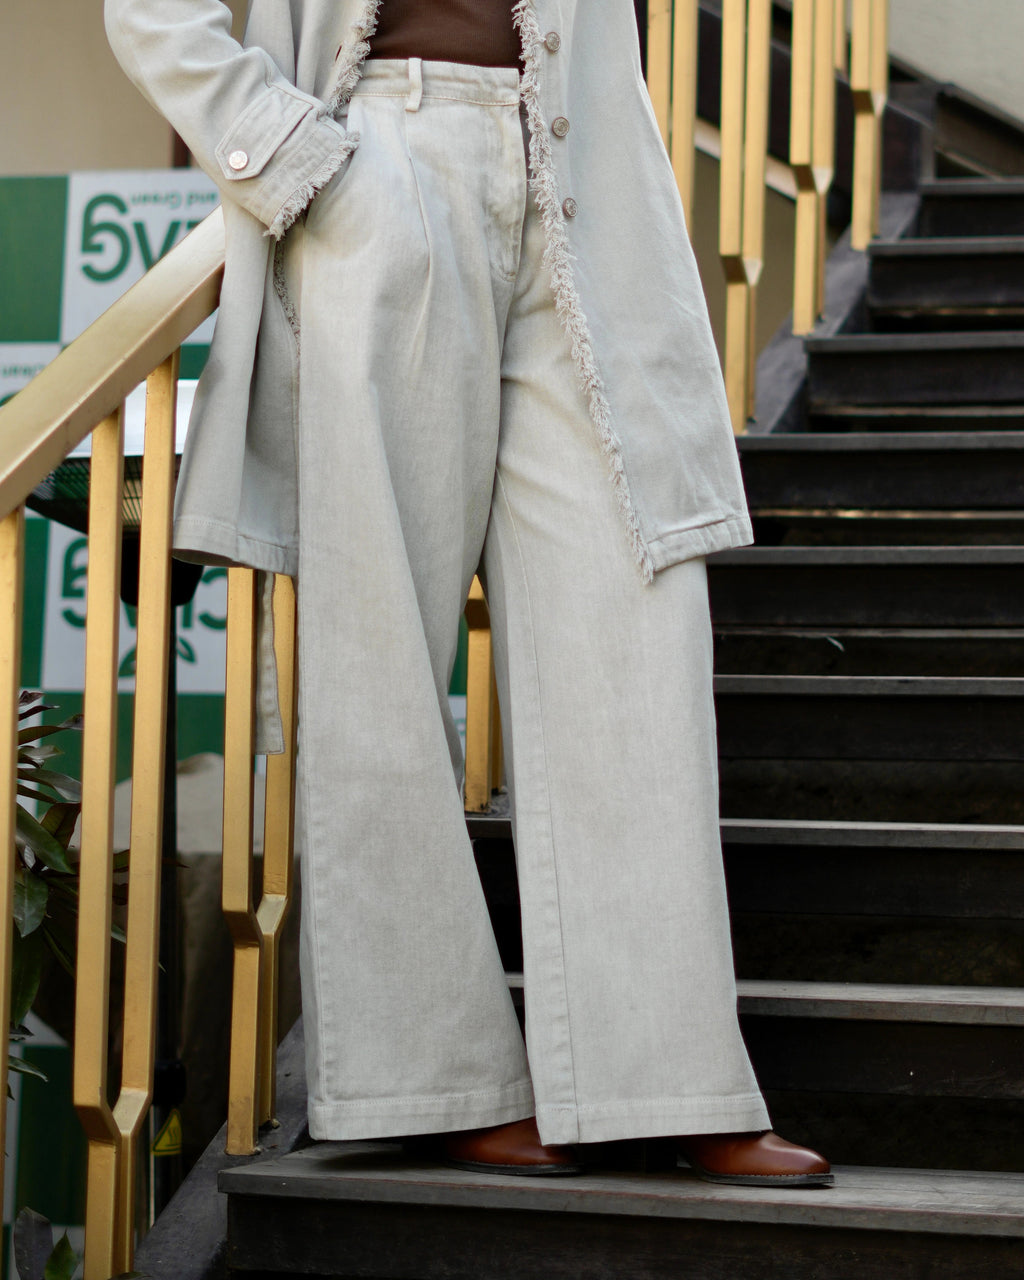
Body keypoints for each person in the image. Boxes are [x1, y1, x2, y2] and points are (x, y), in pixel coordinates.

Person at [105, 0, 831, 1187]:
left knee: (631, 626)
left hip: (577, 158)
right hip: (381, 149)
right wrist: (289, 152)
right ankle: (426, 1076)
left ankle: (662, 1075)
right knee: (373, 649)